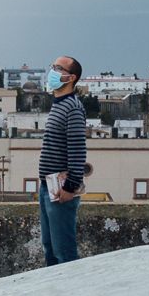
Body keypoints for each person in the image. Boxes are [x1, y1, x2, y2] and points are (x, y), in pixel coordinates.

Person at [37, 54, 87, 266]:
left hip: (61, 190)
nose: (53, 72)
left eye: (58, 68)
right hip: (48, 187)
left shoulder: (72, 108)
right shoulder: (58, 104)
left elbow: (77, 150)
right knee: (49, 248)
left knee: (63, 252)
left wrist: (70, 186)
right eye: (52, 67)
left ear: (71, 78)